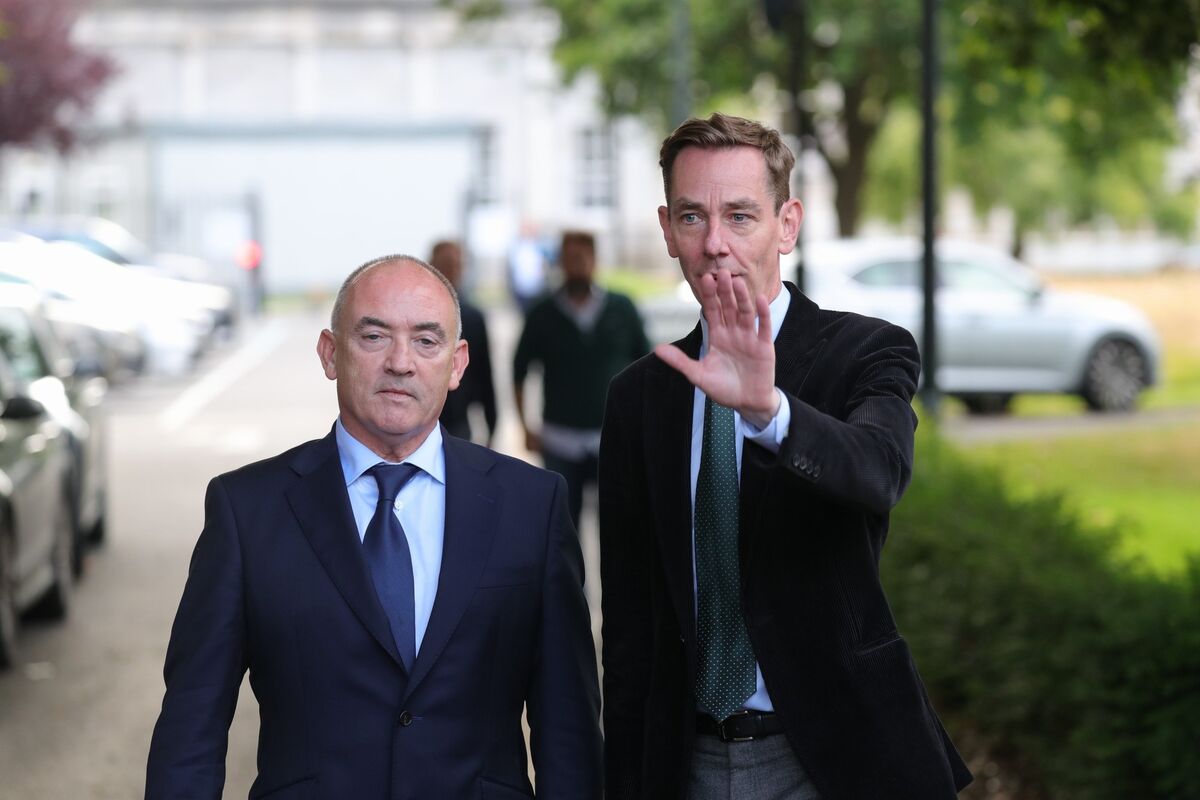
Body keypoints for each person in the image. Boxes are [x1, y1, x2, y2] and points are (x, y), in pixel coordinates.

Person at [598, 113, 971, 800]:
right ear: (667, 230)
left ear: (787, 225)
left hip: (833, 758)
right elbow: (628, 627)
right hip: (685, 761)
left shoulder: (866, 351)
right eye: (692, 217)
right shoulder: (639, 396)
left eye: (740, 216)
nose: (715, 243)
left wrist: (770, 413)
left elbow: (877, 471)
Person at [146, 255, 602, 799]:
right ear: (329, 353)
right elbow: (191, 728)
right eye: (374, 336)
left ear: (457, 364)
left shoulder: (533, 506)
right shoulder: (246, 511)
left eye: (426, 341)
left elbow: (569, 732)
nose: (400, 362)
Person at [512, 230, 649, 528]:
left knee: (619, 525)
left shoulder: (622, 308)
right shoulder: (542, 313)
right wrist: (525, 427)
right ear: (561, 262)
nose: (577, 264)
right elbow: (519, 372)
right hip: (559, 440)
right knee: (562, 528)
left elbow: (647, 368)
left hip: (613, 437)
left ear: (595, 260)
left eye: (583, 257)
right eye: (570, 258)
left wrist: (642, 423)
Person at [430, 239, 498, 445]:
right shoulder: (414, 314)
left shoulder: (473, 317)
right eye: (444, 264)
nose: (450, 270)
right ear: (431, 265)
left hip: (458, 421)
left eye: (455, 265)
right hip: (420, 417)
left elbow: (484, 373)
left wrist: (492, 423)